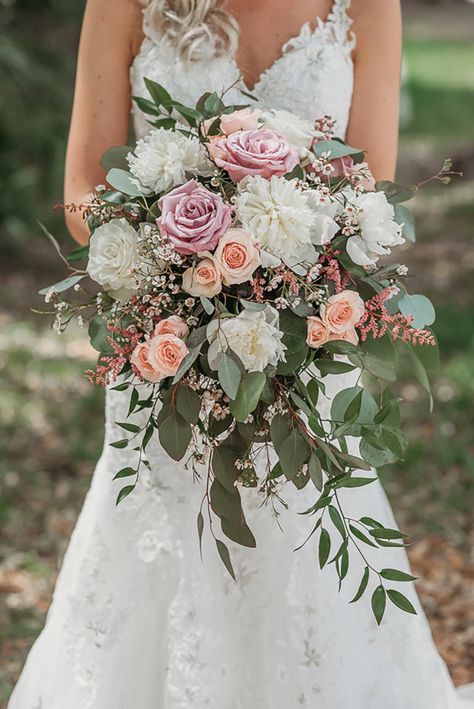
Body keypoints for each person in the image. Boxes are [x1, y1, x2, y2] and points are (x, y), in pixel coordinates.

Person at [8, 1, 474, 707]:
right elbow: (82, 194)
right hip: (165, 345)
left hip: (307, 349)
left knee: (304, 555)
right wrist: (179, 259)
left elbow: (370, 189)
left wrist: (285, 276)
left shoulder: (367, 5)